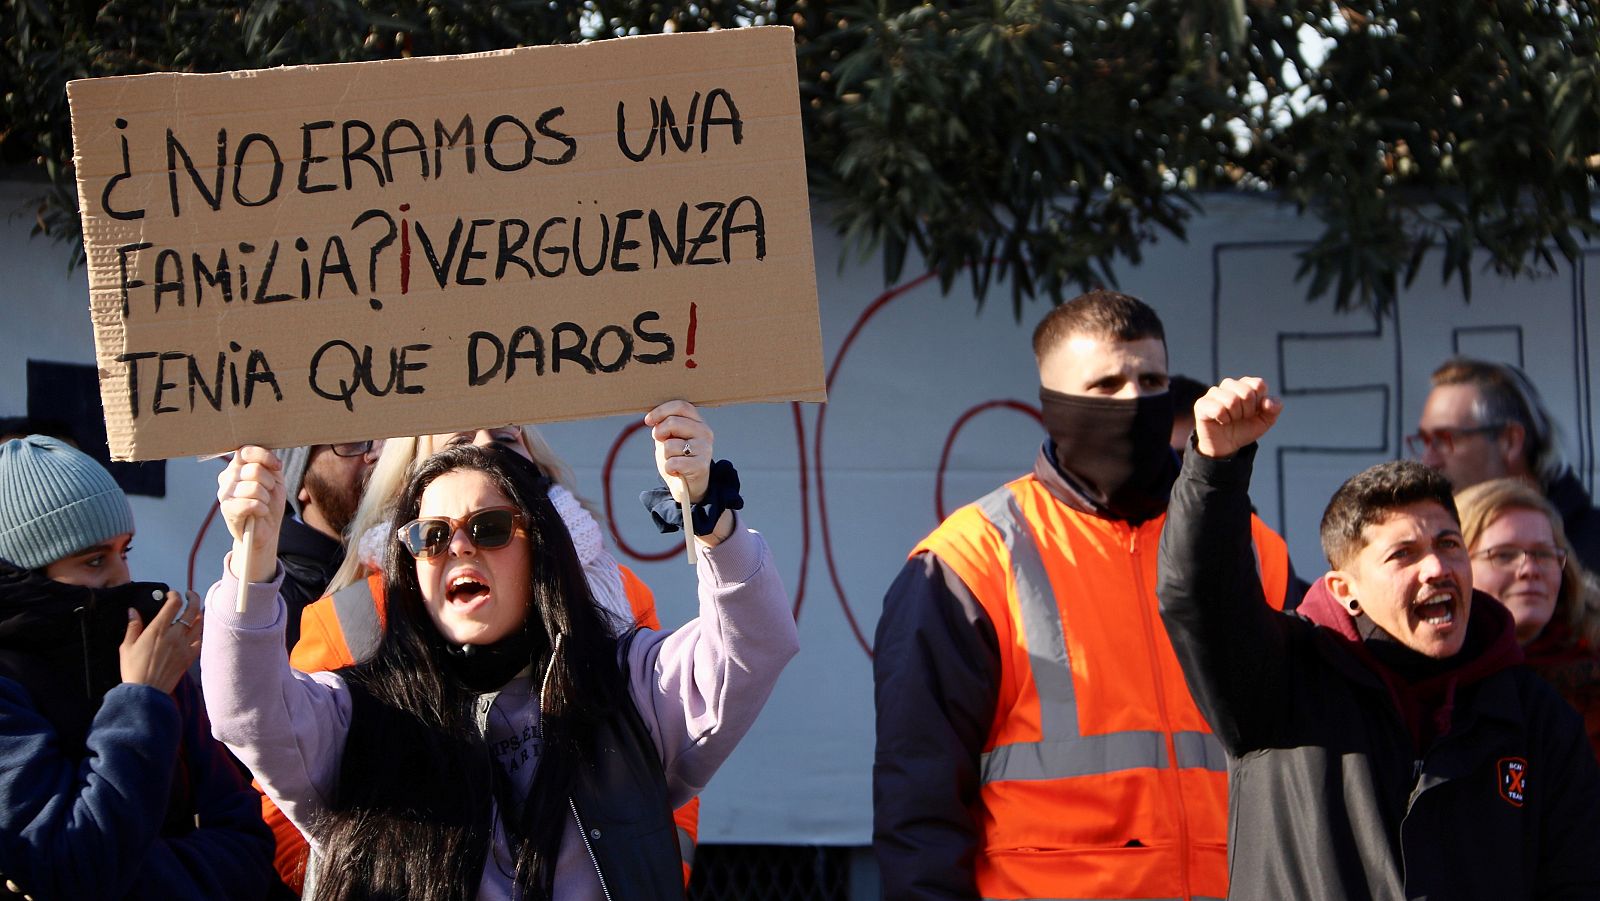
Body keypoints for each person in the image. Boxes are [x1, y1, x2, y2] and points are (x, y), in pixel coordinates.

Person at [202, 402, 797, 899]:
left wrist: (711, 516)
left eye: (488, 527)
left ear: (538, 539)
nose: (459, 546)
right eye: (431, 536)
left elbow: (749, 647)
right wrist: (251, 564)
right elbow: (249, 714)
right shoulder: (357, 707)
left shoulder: (625, 680)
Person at [873, 290, 1297, 901]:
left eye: (1151, 379)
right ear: (1053, 407)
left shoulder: (1251, 547)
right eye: (1106, 385)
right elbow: (920, 806)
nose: (1134, 399)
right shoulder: (968, 562)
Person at [1158, 377, 1600, 899]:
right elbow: (1200, 594)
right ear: (1346, 589)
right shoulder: (1284, 680)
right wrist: (1215, 466)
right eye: (1403, 554)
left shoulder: (1535, 717)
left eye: (1448, 543)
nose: (1436, 567)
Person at [267, 425, 702, 892]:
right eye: (457, 443)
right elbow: (286, 796)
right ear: (416, 474)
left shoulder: (622, 591)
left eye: (506, 437)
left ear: (537, 463)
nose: (485, 449)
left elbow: (662, 757)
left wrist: (641, 877)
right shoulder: (345, 617)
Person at [0, 435, 274, 900]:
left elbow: (247, 845)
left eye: (123, 551)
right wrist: (140, 701)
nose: (121, 577)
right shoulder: (14, 683)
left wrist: (129, 875)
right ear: (22, 570)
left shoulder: (150, 655)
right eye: (92, 559)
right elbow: (72, 864)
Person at [1457, 477, 1600, 760]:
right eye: (1504, 555)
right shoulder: (1433, 683)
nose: (1529, 569)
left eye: (1544, 554)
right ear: (1455, 565)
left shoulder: (1592, 670)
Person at [1413, 357, 1600, 570]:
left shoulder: (1592, 549)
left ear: (1510, 441)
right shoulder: (1431, 556)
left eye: (1445, 440)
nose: (1428, 461)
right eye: (1424, 441)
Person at [274, 440, 381, 649]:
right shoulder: (268, 607)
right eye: (353, 441)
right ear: (300, 481)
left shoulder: (425, 564)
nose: (377, 453)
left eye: (384, 437)